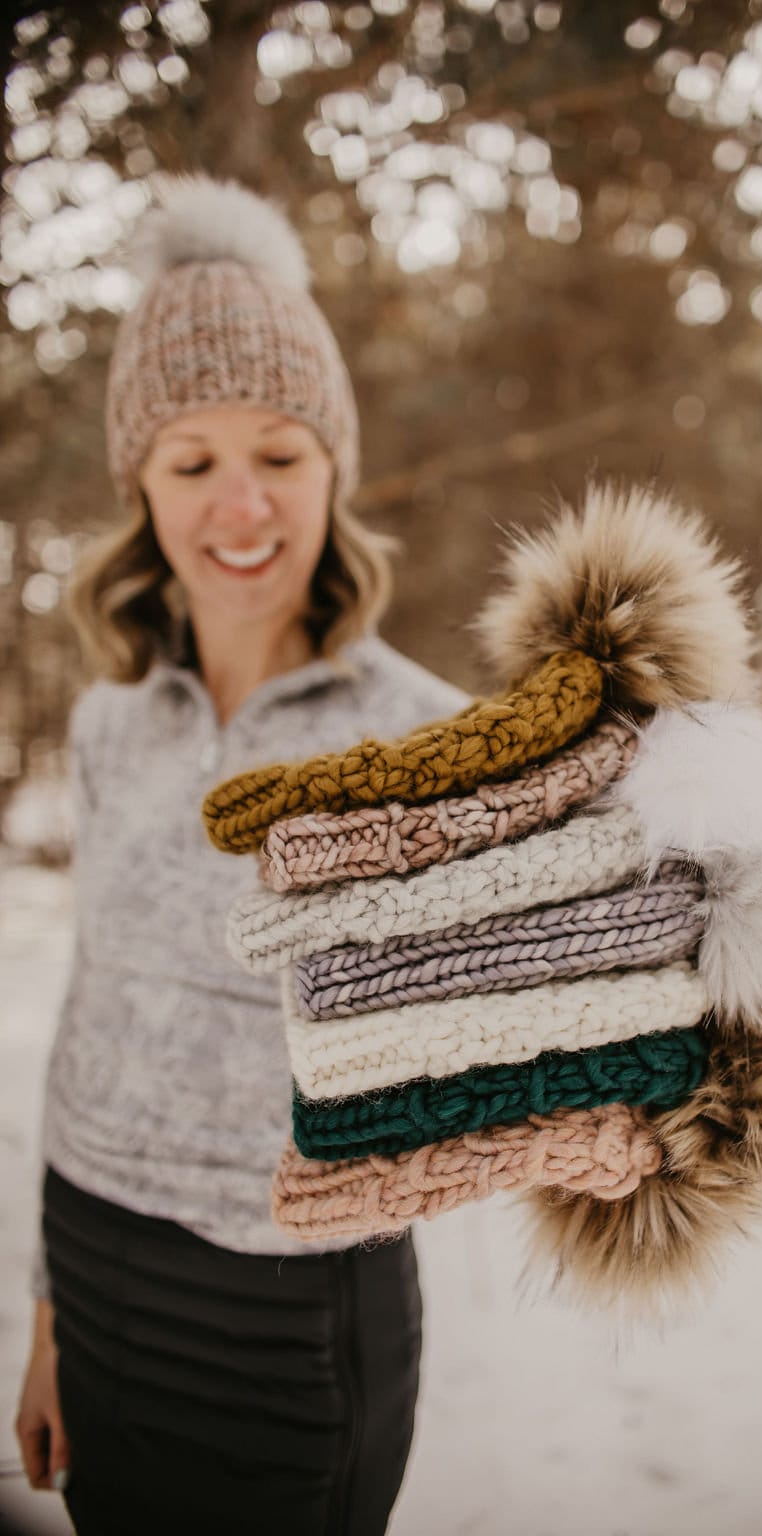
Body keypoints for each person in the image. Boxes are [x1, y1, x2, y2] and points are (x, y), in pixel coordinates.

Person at [14, 172, 467, 1536]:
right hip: (93, 1278)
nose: (241, 506)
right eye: (190, 462)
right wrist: (45, 1311)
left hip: (291, 1319)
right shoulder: (109, 727)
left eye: (279, 453)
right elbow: (90, 1012)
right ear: (140, 487)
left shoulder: (428, 736)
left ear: (336, 467)